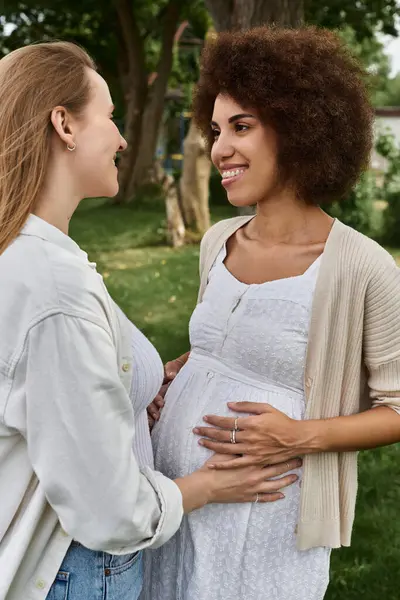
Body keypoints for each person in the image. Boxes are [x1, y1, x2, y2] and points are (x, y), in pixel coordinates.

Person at [0, 41, 299, 600]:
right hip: (77, 570)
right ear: (64, 124)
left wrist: (138, 379)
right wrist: (204, 488)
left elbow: (50, 391)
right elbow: (107, 511)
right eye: (110, 116)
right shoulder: (54, 286)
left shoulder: (34, 257)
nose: (121, 138)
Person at [143, 26, 400, 600]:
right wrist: (173, 373)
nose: (220, 149)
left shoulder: (362, 266)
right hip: (179, 493)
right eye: (214, 130)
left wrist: (298, 436)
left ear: (301, 127)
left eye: (242, 127)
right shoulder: (218, 239)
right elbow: (230, 342)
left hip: (267, 517)